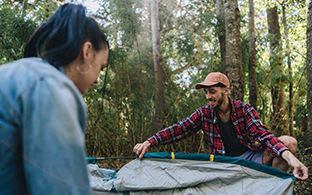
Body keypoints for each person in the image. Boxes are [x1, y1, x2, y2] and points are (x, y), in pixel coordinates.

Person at [0, 4, 110, 195]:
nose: (98, 79)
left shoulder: (19, 71)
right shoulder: (51, 89)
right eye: (101, 67)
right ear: (87, 52)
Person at [134, 72, 309, 181]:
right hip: (224, 163)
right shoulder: (204, 114)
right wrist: (150, 142)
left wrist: (292, 160)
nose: (208, 97)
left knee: (290, 142)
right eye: (206, 92)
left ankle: (270, 186)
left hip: (250, 157)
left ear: (225, 90)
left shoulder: (244, 109)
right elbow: (180, 129)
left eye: (212, 91)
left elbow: (264, 135)